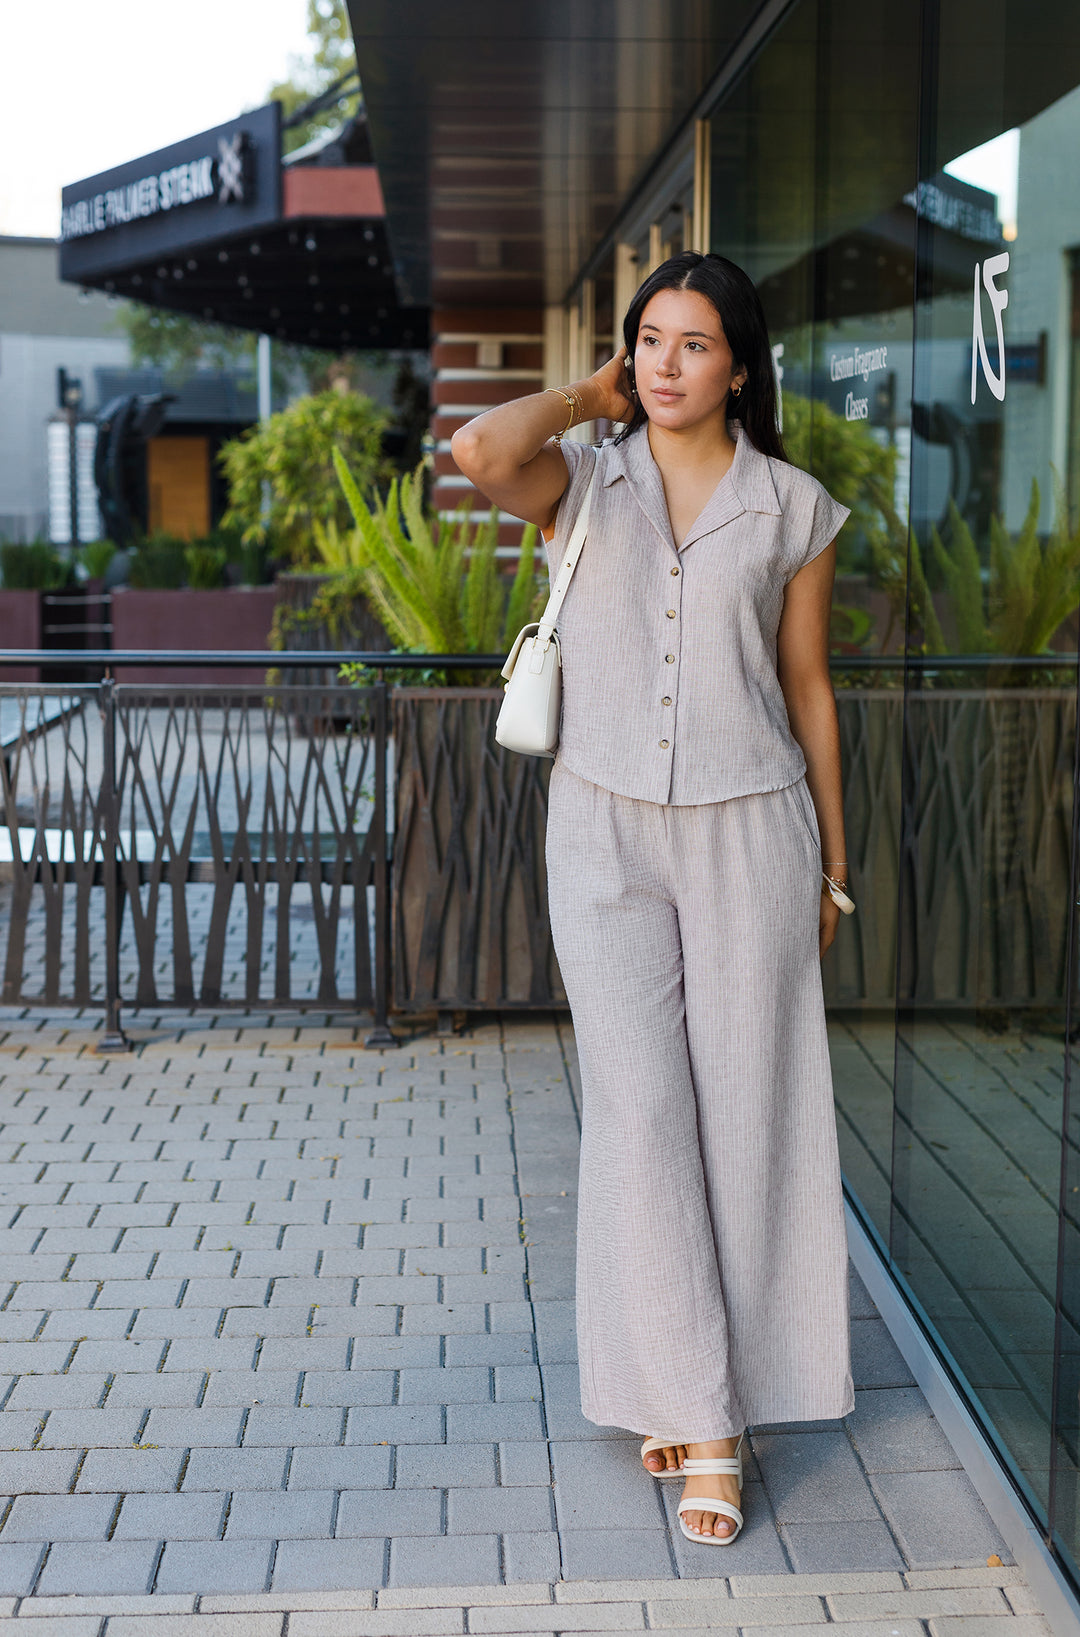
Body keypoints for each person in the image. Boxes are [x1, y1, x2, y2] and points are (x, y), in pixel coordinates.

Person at [452, 250, 855, 1546]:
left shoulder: (795, 508)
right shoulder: (585, 480)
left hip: (756, 830)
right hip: (603, 828)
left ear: (742, 361)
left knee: (751, 1119)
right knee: (638, 1115)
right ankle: (704, 1419)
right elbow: (474, 447)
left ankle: (718, 1393)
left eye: (693, 343)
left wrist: (836, 865)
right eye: (650, 339)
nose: (668, 363)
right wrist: (587, 393)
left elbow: (809, 688)